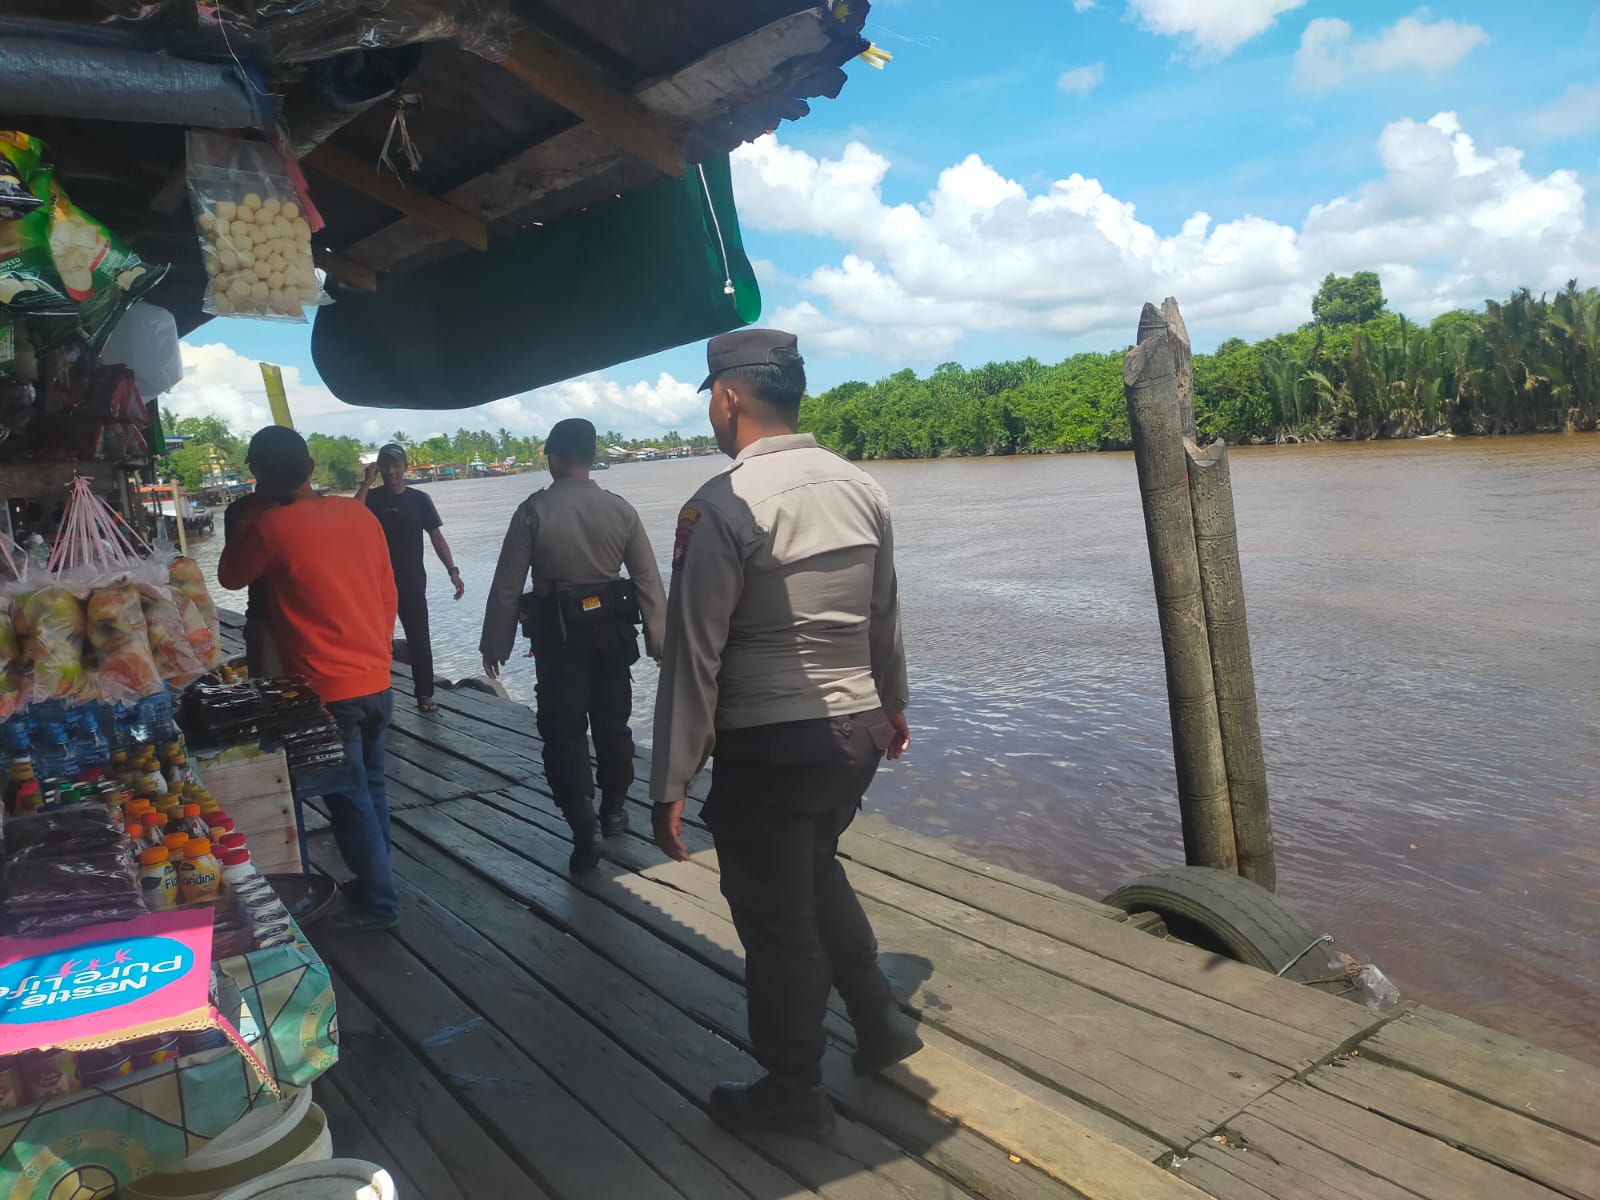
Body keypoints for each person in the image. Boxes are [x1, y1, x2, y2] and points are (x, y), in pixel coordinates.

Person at [650, 329, 919, 1142]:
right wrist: (893, 705)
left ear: (729, 398)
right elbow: (885, 614)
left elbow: (693, 653)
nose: (709, 409)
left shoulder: (723, 504)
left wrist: (672, 777)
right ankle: (879, 1021)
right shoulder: (862, 487)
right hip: (858, 734)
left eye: (709, 396)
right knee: (812, 866)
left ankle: (794, 1088)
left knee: (774, 917)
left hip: (773, 744)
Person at [218, 426, 401, 933]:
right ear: (312, 468)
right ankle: (376, 882)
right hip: (377, 678)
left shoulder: (272, 528)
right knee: (373, 786)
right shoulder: (359, 514)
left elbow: (231, 575)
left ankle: (381, 903)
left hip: (326, 689)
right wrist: (378, 655)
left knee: (347, 796)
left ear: (259, 477)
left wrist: (256, 509)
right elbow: (389, 594)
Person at [480, 418, 666, 875]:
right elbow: (647, 580)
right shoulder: (620, 510)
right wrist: (661, 640)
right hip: (613, 636)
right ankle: (615, 809)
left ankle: (584, 826)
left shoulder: (533, 510)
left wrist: (495, 643)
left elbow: (507, 585)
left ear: (555, 457)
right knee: (613, 724)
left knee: (563, 731)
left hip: (558, 641)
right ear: (591, 455)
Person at [355, 444, 464, 714]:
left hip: (412, 581)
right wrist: (367, 483)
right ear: (379, 468)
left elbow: (436, 537)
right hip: (376, 583)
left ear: (405, 467)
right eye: (386, 465)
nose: (392, 471)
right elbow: (352, 516)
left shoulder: (419, 500)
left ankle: (424, 694)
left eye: (396, 465)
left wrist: (453, 570)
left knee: (419, 639)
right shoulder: (371, 499)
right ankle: (376, 693)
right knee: (375, 640)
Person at [222, 489, 283, 680]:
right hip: (269, 618)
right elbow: (231, 578)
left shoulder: (243, 511)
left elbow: (231, 578)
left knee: (274, 690)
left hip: (267, 618)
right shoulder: (244, 512)